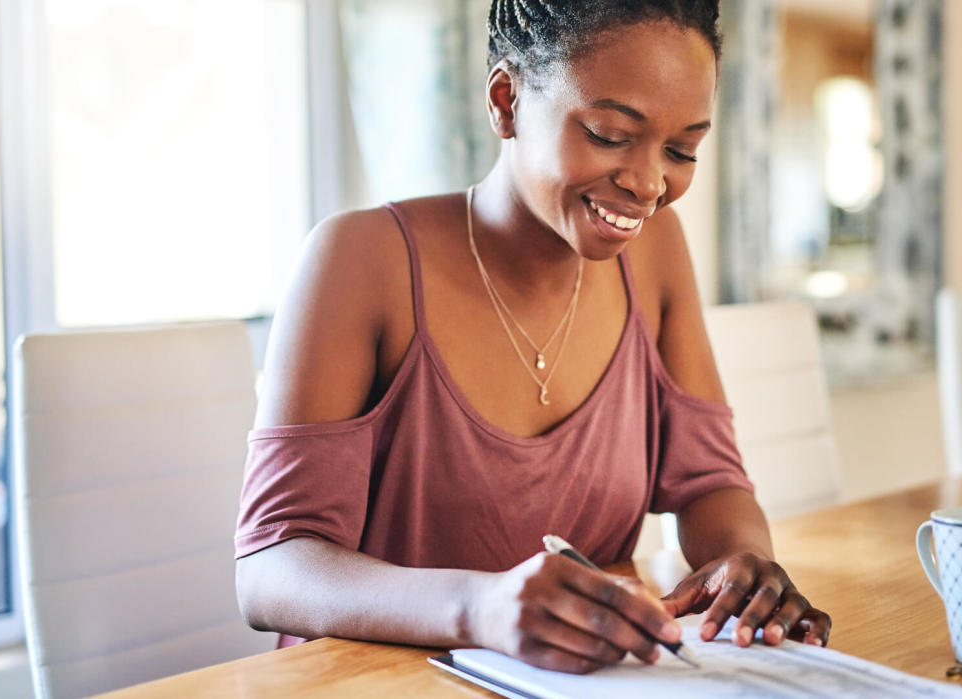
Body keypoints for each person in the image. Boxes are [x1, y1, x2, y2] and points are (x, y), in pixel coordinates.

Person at [235, 0, 832, 674]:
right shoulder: (361, 259)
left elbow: (708, 482)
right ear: (505, 99)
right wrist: (479, 607)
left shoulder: (656, 251)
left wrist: (739, 565)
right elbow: (270, 568)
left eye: (681, 148)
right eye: (609, 133)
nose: (647, 182)